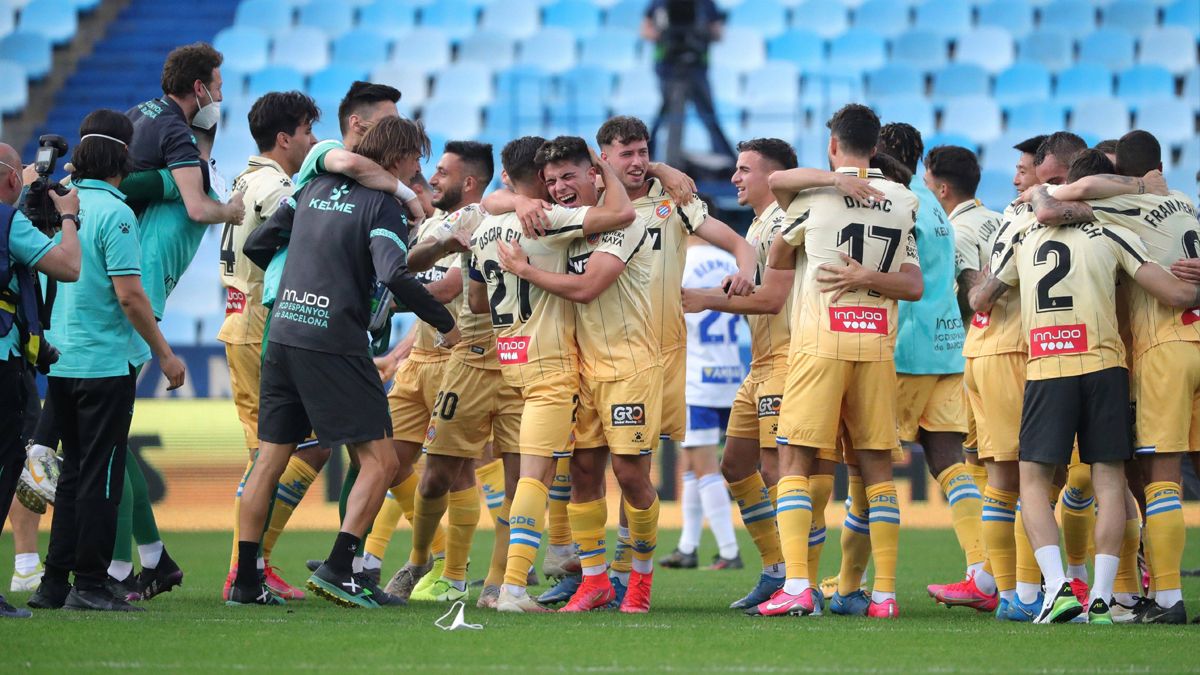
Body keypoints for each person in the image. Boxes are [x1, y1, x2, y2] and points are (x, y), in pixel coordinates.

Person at [231, 116, 457, 608]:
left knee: (269, 459)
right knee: (381, 460)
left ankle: (246, 582)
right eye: (416, 159)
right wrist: (445, 323)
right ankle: (340, 568)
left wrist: (305, 268)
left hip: (284, 333)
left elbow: (256, 243)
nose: (416, 169)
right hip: (334, 340)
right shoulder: (383, 206)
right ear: (398, 158)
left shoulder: (311, 188)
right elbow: (393, 274)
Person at [970, 148, 1199, 625]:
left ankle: (1055, 589)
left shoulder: (1026, 236)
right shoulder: (1117, 232)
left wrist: (978, 282)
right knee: (1109, 477)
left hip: (1047, 367)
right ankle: (1100, 594)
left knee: (1033, 480)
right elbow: (1176, 293)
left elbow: (982, 299)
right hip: (1106, 365)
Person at [752, 104, 921, 619]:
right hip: (876, 346)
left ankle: (799, 586)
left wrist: (835, 257)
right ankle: (885, 596)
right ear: (875, 149)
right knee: (876, 472)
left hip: (820, 342)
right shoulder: (903, 199)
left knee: (795, 461)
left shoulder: (814, 197)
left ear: (832, 146)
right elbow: (913, 285)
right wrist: (868, 276)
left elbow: (779, 258)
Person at [468, 136, 636, 612]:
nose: (560, 187)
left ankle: (538, 569)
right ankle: (514, 589)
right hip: (550, 364)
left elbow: (477, 300)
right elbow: (622, 215)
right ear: (540, 181)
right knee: (535, 477)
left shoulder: (486, 223)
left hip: (511, 356)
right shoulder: (548, 220)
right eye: (553, 178)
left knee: (540, 473)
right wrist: (604, 167)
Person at [28, 110, 187, 613]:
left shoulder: (56, 208)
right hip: (104, 365)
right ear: (123, 158)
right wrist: (164, 355)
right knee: (102, 476)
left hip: (61, 361)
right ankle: (92, 584)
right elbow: (131, 298)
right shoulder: (117, 215)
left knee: (72, 475)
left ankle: (54, 583)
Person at [370, 141, 499, 604]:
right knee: (385, 459)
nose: (433, 178)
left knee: (454, 471)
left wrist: (381, 292)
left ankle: (451, 572)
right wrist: (401, 351)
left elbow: (444, 289)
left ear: (468, 182)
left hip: (457, 360)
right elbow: (417, 284)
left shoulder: (482, 225)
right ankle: (401, 557)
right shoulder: (434, 225)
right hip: (420, 359)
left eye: (442, 172)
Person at [681, 137, 798, 609]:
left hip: (788, 359)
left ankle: (797, 578)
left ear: (772, 176)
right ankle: (775, 569)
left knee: (777, 470)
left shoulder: (786, 224)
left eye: (744, 170)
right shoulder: (752, 232)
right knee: (733, 465)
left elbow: (772, 300)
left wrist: (705, 298)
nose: (734, 178)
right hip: (753, 364)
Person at [877, 124, 989, 610]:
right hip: (947, 347)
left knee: (870, 464)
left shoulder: (901, 202)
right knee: (950, 464)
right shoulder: (934, 204)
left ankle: (861, 582)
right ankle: (986, 572)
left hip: (909, 349)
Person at [217, 90, 320, 602]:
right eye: (306, 132)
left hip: (240, 321)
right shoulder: (280, 187)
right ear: (285, 138)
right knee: (275, 455)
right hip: (263, 325)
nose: (313, 141)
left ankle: (253, 565)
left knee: (273, 453)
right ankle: (247, 568)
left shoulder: (244, 178)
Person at [923, 144, 1017, 615]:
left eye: (927, 180)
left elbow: (967, 297)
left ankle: (994, 574)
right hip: (1016, 351)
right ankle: (987, 574)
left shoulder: (953, 231)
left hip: (976, 352)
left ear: (941, 186)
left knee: (990, 465)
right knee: (986, 462)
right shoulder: (999, 219)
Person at [0, 143, 80, 618]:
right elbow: (68, 267)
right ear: (12, 179)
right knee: (7, 464)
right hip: (4, 360)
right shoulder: (10, 223)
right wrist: (67, 215)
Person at [660, 229, 744, 572]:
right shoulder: (730, 261)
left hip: (697, 376)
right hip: (734, 370)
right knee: (694, 466)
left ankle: (728, 550)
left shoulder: (678, 263)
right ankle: (688, 546)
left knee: (700, 461)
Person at [642, 0, 735, 166]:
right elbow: (646, 30)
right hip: (668, 68)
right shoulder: (660, 2)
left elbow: (718, 33)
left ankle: (727, 161)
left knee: (708, 114)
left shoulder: (705, 3)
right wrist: (664, 34)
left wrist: (701, 33)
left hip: (696, 68)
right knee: (671, 114)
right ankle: (665, 161)